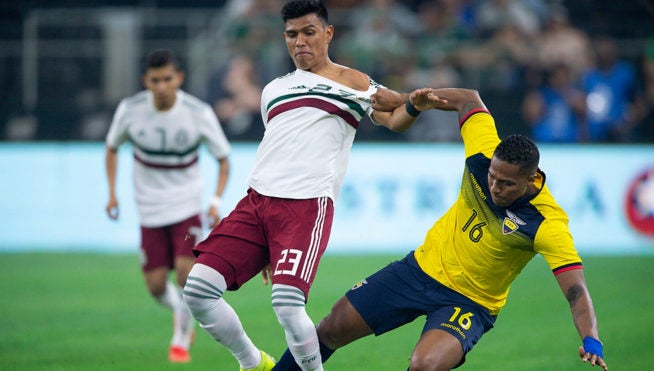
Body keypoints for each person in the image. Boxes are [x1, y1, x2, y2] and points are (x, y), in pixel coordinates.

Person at [180, 1, 440, 370]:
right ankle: (253, 363)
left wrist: (413, 106)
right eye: (291, 35)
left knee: (287, 305)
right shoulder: (273, 90)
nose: (299, 41)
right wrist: (269, 241)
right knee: (198, 291)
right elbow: (280, 147)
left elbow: (394, 117)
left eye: (308, 32)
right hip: (256, 203)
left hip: (305, 207)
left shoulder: (352, 82)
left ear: (328, 34)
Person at [272, 88, 608, 371]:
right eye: (492, 176)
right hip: (418, 270)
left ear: (531, 179)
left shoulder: (546, 223)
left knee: (424, 366)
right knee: (330, 328)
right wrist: (413, 101)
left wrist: (590, 338)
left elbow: (576, 290)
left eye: (506, 183)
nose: (494, 187)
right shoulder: (482, 151)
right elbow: (469, 99)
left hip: (470, 303)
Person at [104, 49, 231, 363]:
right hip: (149, 209)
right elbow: (111, 148)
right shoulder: (130, 110)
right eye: (155, 80)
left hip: (187, 206)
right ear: (145, 81)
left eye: (167, 79)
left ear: (179, 79)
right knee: (156, 285)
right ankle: (180, 311)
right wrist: (112, 194)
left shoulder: (198, 112)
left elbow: (223, 160)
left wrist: (214, 202)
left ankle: (180, 338)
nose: (162, 86)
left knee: (186, 275)